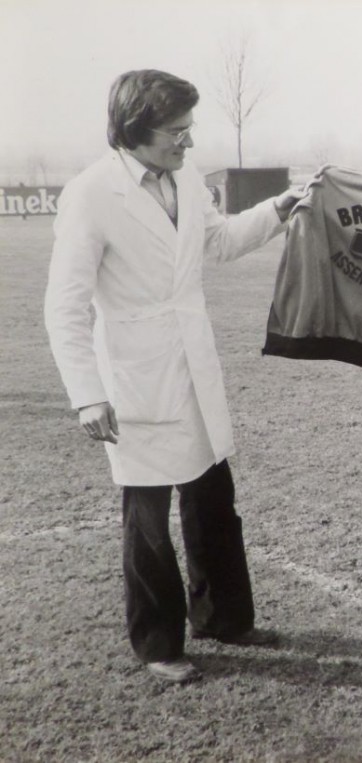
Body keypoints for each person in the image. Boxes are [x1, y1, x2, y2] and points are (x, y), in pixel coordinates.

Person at [44, 69, 304, 684]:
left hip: (193, 361)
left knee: (214, 499)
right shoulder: (89, 194)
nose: (188, 144)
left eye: (190, 130)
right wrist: (87, 394)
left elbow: (216, 244)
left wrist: (277, 210)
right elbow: (65, 305)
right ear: (135, 129)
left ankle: (224, 618)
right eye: (175, 132)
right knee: (148, 516)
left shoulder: (186, 178)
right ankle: (158, 642)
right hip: (134, 373)